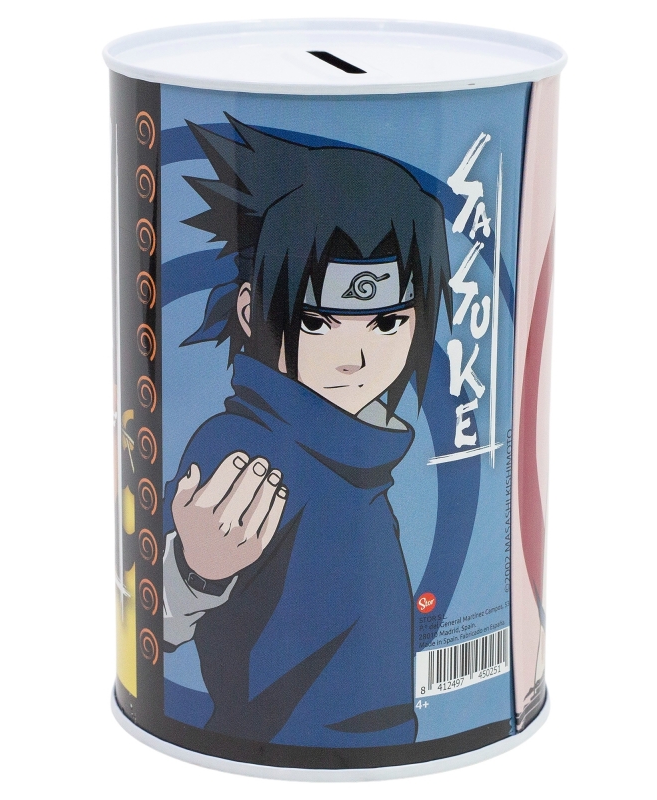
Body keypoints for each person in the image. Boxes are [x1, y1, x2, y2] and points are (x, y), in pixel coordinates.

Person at [163, 116, 452, 747]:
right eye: (318, 322)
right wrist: (193, 571)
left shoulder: (362, 452)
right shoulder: (244, 446)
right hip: (260, 753)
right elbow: (150, 617)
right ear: (250, 311)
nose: (356, 358)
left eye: (386, 324)